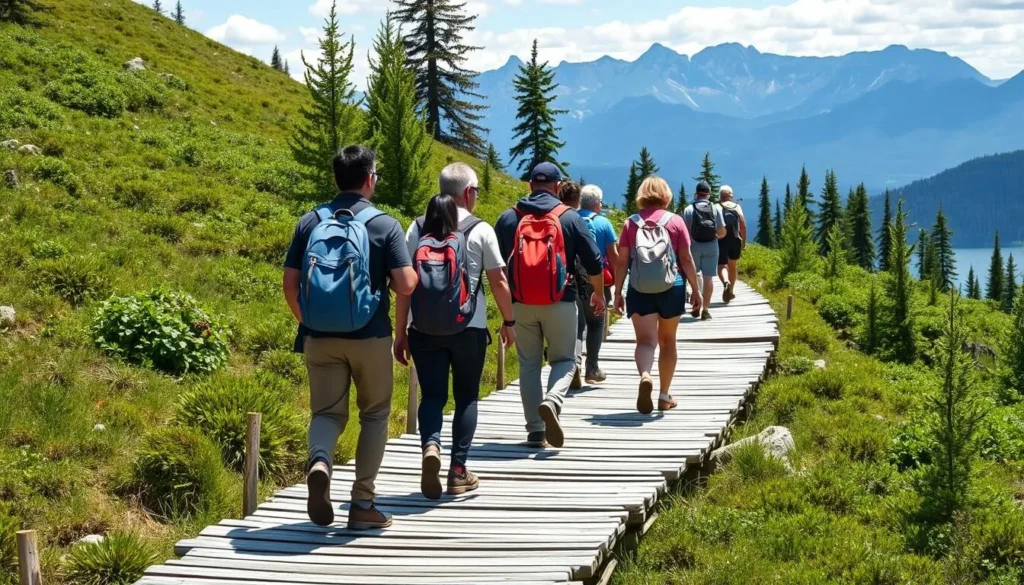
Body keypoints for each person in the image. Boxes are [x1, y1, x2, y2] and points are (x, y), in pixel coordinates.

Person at [282, 146, 417, 529]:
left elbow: (289, 284)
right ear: (370, 179)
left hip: (318, 337)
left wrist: (308, 320)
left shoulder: (311, 221)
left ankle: (321, 461)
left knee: (326, 413)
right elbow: (406, 283)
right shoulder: (383, 225)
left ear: (335, 178)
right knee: (374, 414)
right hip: (370, 336)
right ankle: (362, 505)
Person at [394, 163, 516, 500]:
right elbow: (499, 281)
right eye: (476, 191)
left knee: (432, 396)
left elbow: (404, 287)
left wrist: (400, 332)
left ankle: (431, 446)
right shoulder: (480, 229)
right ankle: (458, 470)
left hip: (424, 329)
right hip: (469, 330)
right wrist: (509, 322)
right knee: (466, 397)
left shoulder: (416, 229)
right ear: (467, 193)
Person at [495, 162, 605, 449]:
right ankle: (553, 400)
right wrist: (599, 293)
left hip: (519, 304)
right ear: (557, 187)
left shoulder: (508, 218)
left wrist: (505, 311)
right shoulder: (568, 217)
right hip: (561, 301)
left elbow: (496, 270)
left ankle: (534, 430)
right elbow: (594, 262)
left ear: (530, 184)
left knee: (528, 365)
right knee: (565, 360)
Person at [613, 176, 702, 414]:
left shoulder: (630, 224)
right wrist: (696, 289)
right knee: (667, 341)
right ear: (666, 196)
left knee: (645, 342)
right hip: (671, 287)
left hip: (639, 288)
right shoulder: (675, 221)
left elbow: (622, 262)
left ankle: (645, 375)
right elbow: (686, 258)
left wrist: (618, 293)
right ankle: (664, 396)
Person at [578, 185, 619, 383]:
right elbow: (614, 256)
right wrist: (619, 286)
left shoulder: (570, 219)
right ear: (596, 203)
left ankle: (573, 366)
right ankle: (592, 368)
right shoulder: (604, 223)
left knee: (576, 325)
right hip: (598, 282)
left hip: (573, 281)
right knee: (596, 323)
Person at [556, 181, 588, 390]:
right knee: (580, 326)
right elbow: (589, 255)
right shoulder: (574, 219)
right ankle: (575, 363)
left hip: (545, 284)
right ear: (578, 200)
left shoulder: (551, 217)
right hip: (573, 281)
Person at [681, 181, 726, 320]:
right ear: (708, 193)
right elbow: (722, 230)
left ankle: (696, 305)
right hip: (711, 245)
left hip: (694, 246)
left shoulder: (689, 209)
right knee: (708, 278)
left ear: (696, 193)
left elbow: (685, 233)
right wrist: (717, 236)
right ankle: (706, 309)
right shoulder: (715, 208)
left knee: (694, 275)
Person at [717, 185, 747, 303]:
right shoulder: (737, 207)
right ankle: (731, 290)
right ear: (731, 196)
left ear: (720, 196)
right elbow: (743, 225)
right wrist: (743, 241)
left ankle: (725, 282)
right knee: (733, 265)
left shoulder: (716, 206)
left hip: (721, 239)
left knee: (722, 266)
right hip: (735, 239)